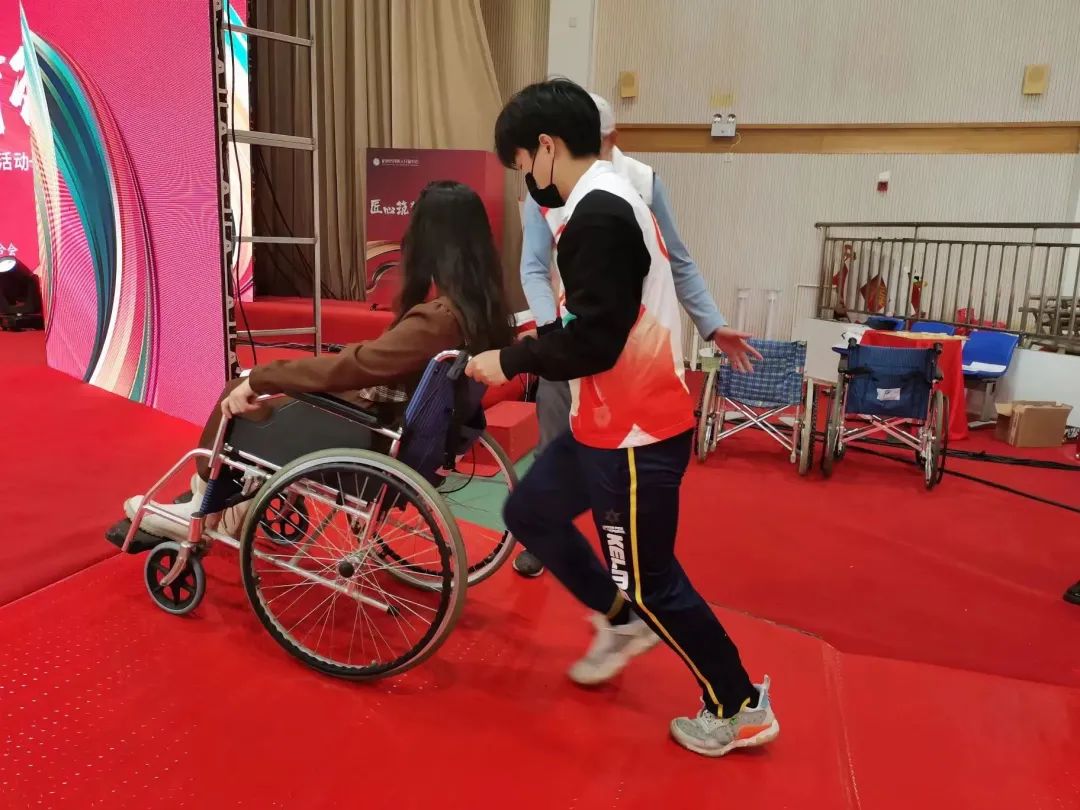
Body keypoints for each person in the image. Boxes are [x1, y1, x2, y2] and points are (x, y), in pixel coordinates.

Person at [467, 78, 778, 757]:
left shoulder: (599, 214)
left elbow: (594, 342)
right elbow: (597, 321)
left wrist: (511, 359)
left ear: (546, 147)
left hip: (634, 432)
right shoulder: (603, 200)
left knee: (648, 578)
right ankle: (619, 618)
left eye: (522, 165)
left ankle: (738, 705)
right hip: (603, 421)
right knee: (531, 513)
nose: (526, 181)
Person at [120, 180, 514, 542]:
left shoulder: (438, 319)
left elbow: (356, 367)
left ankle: (201, 508)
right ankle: (231, 505)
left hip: (371, 434)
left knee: (241, 396)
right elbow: (374, 361)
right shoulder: (483, 315)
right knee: (272, 395)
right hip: (398, 427)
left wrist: (262, 377)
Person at [511, 92, 759, 579]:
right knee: (556, 448)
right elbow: (534, 268)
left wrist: (711, 323)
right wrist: (550, 334)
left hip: (634, 360)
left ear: (611, 138)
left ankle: (632, 574)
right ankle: (551, 539)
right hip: (571, 343)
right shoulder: (545, 188)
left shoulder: (641, 183)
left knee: (626, 483)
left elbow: (677, 260)